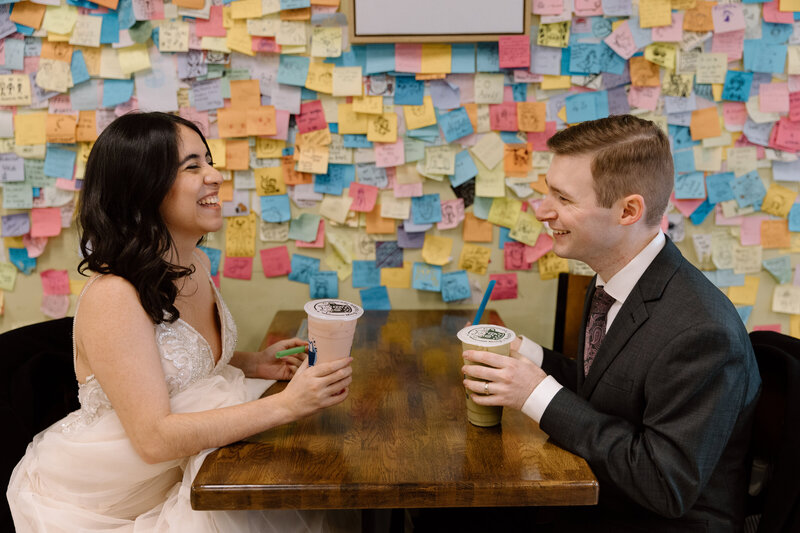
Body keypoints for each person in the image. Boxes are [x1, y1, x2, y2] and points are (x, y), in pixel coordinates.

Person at [7, 112, 357, 532]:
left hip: (182, 467)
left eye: (208, 161)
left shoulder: (195, 263)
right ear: (143, 187)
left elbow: (174, 364)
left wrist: (251, 362)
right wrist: (286, 404)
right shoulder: (114, 297)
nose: (215, 176)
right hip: (111, 500)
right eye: (193, 166)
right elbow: (154, 439)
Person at [462, 115, 761, 532]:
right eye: (549, 192)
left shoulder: (704, 333)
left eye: (564, 199)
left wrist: (536, 394)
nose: (544, 211)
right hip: (602, 497)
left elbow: (665, 484)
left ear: (628, 211)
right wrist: (527, 354)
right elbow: (605, 391)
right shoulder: (610, 281)